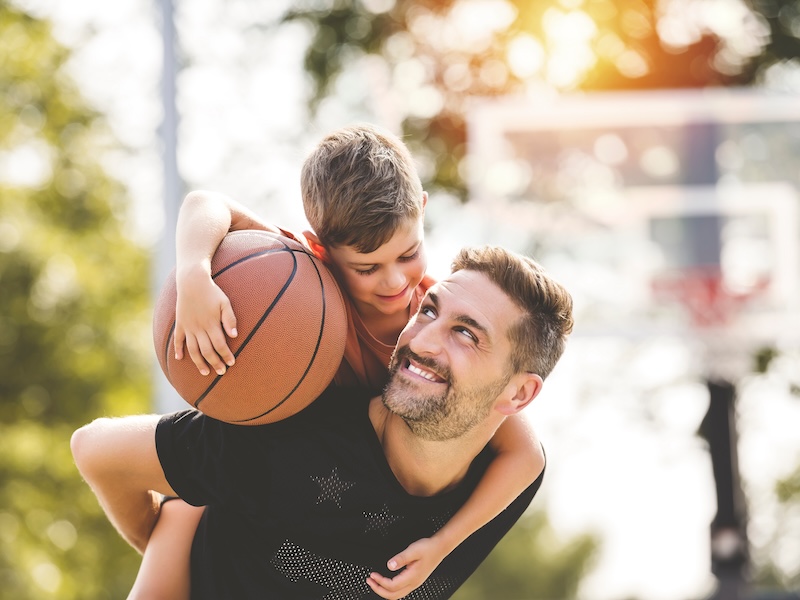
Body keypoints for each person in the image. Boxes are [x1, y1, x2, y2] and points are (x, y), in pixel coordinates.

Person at [130, 123, 544, 599]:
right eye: (367, 268)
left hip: (331, 499)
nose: (394, 281)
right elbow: (205, 204)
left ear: (422, 210)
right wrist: (193, 273)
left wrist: (442, 545)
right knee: (184, 505)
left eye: (408, 254)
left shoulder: (433, 326)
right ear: (322, 249)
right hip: (255, 470)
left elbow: (526, 455)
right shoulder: (300, 291)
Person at [71, 244, 575, 600]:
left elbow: (527, 455)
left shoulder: (503, 481)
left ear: (520, 393)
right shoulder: (284, 440)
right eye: (428, 310)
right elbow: (93, 449)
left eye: (466, 334)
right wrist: (159, 535)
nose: (422, 341)